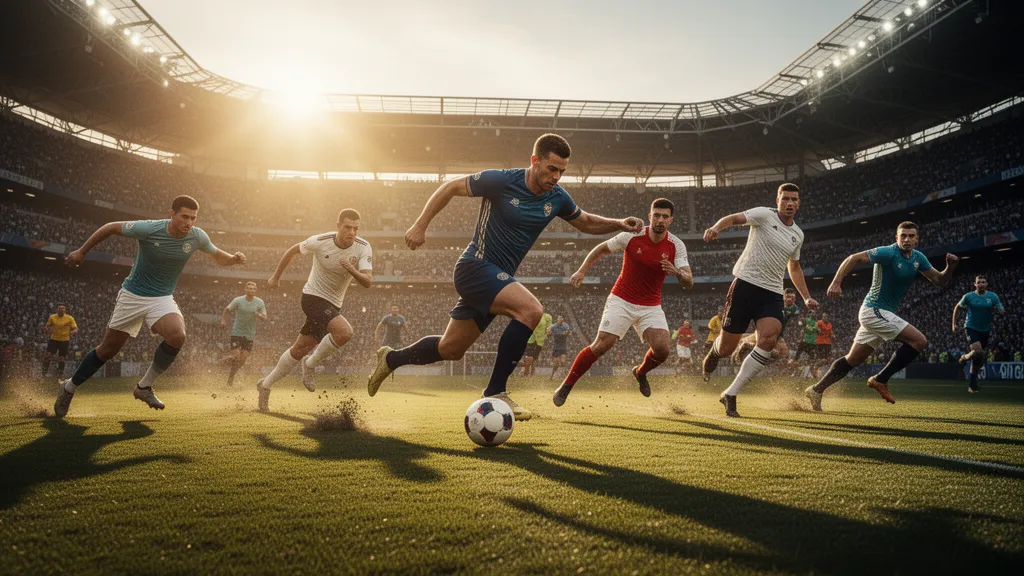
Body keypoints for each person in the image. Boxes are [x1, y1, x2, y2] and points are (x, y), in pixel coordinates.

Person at [366, 134, 643, 420]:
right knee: (531, 310)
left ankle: (390, 358)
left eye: (562, 171)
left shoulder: (557, 197)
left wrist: (618, 224)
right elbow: (449, 187)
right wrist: (419, 225)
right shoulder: (501, 181)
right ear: (534, 161)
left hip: (495, 278)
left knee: (450, 349)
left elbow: (584, 221)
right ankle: (496, 392)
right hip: (475, 266)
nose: (556, 176)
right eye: (551, 168)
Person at [54, 195, 246, 417]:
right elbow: (110, 227)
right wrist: (81, 252)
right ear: (171, 214)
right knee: (107, 350)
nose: (189, 222)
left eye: (193, 218)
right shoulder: (149, 229)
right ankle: (68, 387)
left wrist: (233, 258)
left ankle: (144, 387)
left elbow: (217, 255)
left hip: (162, 298)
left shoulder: (197, 236)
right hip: (132, 296)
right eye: (185, 216)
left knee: (177, 335)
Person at [805, 222, 958, 411]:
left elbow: (939, 280)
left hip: (882, 314)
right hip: (873, 310)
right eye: (903, 236)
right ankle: (880, 380)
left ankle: (816, 389)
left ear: (917, 239)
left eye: (911, 236)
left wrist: (950, 267)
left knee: (853, 359)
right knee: (919, 341)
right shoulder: (888, 253)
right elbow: (853, 258)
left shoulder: (919, 258)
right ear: (897, 238)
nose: (907, 239)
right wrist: (836, 282)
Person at [554, 198, 692, 406]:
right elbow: (601, 248)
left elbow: (689, 281)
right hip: (622, 299)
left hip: (651, 305)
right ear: (649, 216)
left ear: (670, 220)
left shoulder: (676, 245)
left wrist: (678, 273)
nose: (660, 219)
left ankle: (640, 372)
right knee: (602, 345)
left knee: (663, 350)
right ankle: (566, 385)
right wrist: (582, 270)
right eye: (656, 215)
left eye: (665, 216)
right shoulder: (631, 236)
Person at [701, 183, 818, 417]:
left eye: (794, 199)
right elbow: (734, 218)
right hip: (745, 285)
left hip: (772, 292)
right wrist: (716, 227)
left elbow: (793, 267)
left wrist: (806, 297)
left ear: (799, 203)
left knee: (770, 337)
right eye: (785, 199)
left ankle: (731, 394)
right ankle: (714, 353)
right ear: (777, 201)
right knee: (727, 348)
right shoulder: (764, 214)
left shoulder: (798, 234)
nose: (790, 203)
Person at [258, 209, 372, 412]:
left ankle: (265, 385)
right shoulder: (320, 241)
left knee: (299, 349)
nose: (352, 232)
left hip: (333, 303)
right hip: (312, 297)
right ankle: (310, 364)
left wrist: (351, 270)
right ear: (338, 226)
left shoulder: (363, 247)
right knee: (344, 332)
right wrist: (276, 276)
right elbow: (293, 250)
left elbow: (367, 281)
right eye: (347, 227)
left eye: (356, 228)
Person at [953, 275, 1005, 393]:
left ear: (986, 284)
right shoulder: (969, 296)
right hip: (971, 327)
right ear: (975, 284)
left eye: (983, 282)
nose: (981, 284)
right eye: (979, 282)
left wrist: (1001, 310)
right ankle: (964, 357)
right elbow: (957, 307)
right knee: (978, 352)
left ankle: (972, 385)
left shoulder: (992, 296)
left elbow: (1000, 306)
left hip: (985, 330)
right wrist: (954, 324)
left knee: (978, 359)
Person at [220, 282, 267, 386]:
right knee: (236, 358)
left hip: (249, 335)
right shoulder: (238, 300)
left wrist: (258, 315)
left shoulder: (259, 302)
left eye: (253, 289)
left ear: (256, 290)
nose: (251, 290)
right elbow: (227, 309)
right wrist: (223, 320)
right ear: (245, 289)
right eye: (249, 288)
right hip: (237, 332)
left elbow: (265, 317)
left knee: (242, 361)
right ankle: (230, 379)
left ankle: (229, 370)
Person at [42, 304, 77, 381]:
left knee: (61, 359)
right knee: (47, 356)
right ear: (57, 309)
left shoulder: (69, 318)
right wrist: (46, 328)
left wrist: (73, 332)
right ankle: (43, 375)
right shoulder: (52, 317)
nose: (61, 310)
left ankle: (60, 376)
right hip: (54, 340)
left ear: (65, 310)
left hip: (64, 341)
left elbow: (75, 328)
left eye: (63, 308)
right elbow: (47, 325)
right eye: (59, 308)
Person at [521, 309, 552, 377]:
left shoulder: (547, 317)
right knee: (528, 358)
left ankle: (531, 374)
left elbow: (549, 329)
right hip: (530, 339)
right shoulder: (531, 315)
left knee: (533, 359)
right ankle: (526, 373)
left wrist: (548, 333)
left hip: (539, 341)